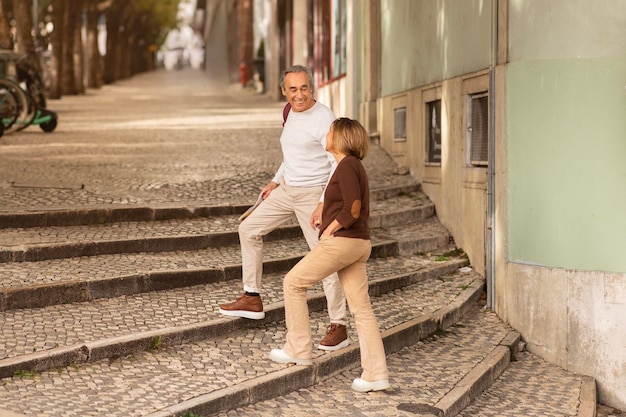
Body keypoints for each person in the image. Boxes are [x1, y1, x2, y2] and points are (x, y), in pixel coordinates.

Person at [219, 65, 349, 351]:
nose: (299, 94)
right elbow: (290, 154)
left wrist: (322, 202)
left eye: (304, 88)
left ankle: (338, 325)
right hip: (287, 188)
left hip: (313, 193)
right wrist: (275, 181)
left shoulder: (324, 118)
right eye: (293, 89)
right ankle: (252, 297)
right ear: (284, 91)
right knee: (248, 228)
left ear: (311, 87)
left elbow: (335, 164)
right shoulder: (288, 112)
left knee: (324, 255)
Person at [269, 117, 390, 393]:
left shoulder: (347, 165)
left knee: (293, 282)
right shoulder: (350, 166)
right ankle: (376, 374)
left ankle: (298, 347)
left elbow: (353, 209)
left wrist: (329, 230)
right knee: (361, 310)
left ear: (342, 138)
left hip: (343, 242)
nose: (326, 134)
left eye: (331, 131)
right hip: (358, 243)